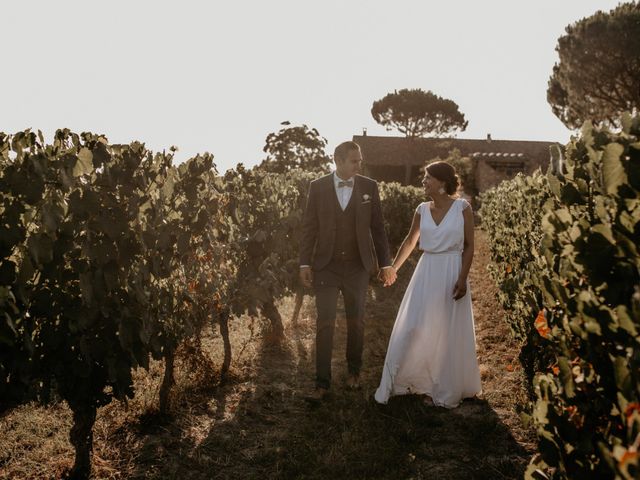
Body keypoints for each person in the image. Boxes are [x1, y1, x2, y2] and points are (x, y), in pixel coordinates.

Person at [374, 161, 482, 408]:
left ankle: (446, 386)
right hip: (426, 271)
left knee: (447, 328)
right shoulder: (421, 209)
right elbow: (410, 241)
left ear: (442, 183)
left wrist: (462, 278)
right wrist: (393, 268)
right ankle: (406, 379)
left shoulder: (462, 208)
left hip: (452, 270)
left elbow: (469, 246)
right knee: (413, 324)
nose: (423, 181)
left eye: (428, 178)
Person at [300, 141, 396, 401]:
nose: (359, 164)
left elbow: (378, 227)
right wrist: (304, 263)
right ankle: (322, 383)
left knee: (357, 321)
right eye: (354, 160)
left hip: (358, 267)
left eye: (359, 160)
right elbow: (309, 227)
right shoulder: (317, 187)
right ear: (338, 161)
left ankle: (354, 372)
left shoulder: (369, 187)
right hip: (326, 266)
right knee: (325, 323)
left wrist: (386, 263)